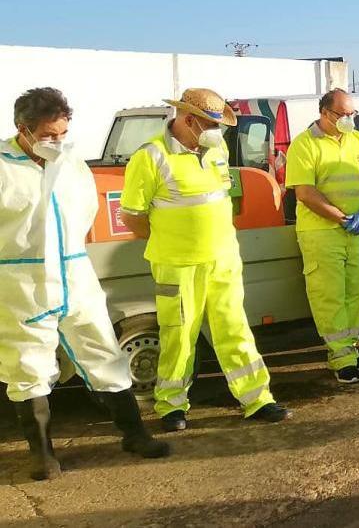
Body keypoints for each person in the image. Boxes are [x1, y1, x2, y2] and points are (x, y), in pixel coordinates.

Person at [0, 88, 169, 481]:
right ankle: (42, 455)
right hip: (20, 279)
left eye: (62, 133)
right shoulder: (3, 166)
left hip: (74, 272)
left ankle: (135, 435)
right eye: (48, 134)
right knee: (27, 363)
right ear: (21, 129)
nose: (56, 141)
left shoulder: (71, 161)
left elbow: (85, 210)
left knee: (103, 350)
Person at [120, 88, 291, 430]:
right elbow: (133, 217)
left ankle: (257, 399)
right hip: (178, 265)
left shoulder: (216, 150)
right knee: (178, 335)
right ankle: (171, 406)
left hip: (223, 260)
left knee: (235, 330)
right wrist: (173, 240)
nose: (219, 131)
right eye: (212, 124)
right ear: (188, 120)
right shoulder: (150, 157)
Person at [286, 89, 359, 385]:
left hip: (355, 230)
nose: (348, 119)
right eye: (343, 114)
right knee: (329, 295)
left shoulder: (357, 141)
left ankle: (348, 351)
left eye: (352, 114)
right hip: (321, 232)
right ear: (325, 113)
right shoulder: (304, 144)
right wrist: (340, 218)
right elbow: (304, 192)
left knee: (356, 292)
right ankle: (341, 358)